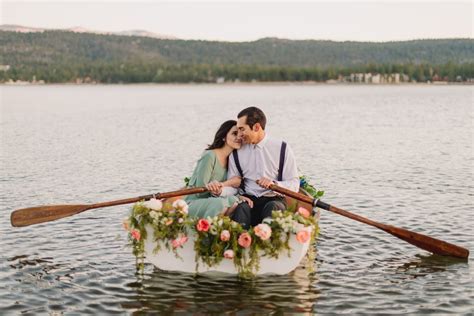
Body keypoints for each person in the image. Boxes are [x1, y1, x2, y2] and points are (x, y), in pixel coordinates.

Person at [209, 107, 300, 229]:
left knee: (272, 208)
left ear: (256, 127)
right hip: (248, 200)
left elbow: (294, 184)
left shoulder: (282, 148)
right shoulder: (236, 152)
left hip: (274, 199)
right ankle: (239, 243)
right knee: (241, 208)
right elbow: (234, 187)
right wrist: (220, 191)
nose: (239, 135)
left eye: (242, 129)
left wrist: (274, 183)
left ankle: (268, 243)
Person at [185, 120, 250, 218]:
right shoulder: (210, 156)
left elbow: (229, 188)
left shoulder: (232, 159)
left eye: (240, 134)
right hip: (194, 202)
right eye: (234, 133)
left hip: (215, 199)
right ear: (224, 137)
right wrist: (223, 188)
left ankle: (220, 229)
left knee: (235, 203)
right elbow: (200, 190)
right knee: (221, 203)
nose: (239, 137)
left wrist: (237, 196)